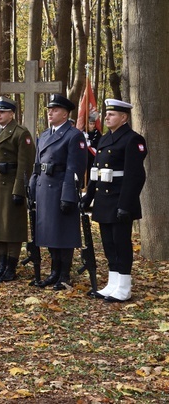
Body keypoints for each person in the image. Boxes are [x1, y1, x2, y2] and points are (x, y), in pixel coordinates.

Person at [81, 99, 147, 302]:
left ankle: (124, 286)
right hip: (104, 200)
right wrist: (88, 197)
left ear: (124, 117)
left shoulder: (133, 139)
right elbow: (96, 173)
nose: (106, 117)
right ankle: (113, 283)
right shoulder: (104, 139)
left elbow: (136, 176)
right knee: (109, 244)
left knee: (121, 243)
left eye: (112, 114)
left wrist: (125, 205)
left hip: (120, 200)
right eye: (107, 114)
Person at [29, 94, 87, 290]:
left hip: (61, 189)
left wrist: (69, 195)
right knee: (49, 232)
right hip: (44, 189)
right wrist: (32, 187)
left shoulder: (73, 135)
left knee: (63, 232)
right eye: (49, 110)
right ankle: (54, 272)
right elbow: (37, 165)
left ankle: (64, 274)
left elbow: (75, 168)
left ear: (65, 114)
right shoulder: (44, 135)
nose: (50, 113)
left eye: (55, 110)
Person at [0, 96, 35, 282]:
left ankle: (11, 267)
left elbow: (25, 165)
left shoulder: (20, 133)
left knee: (11, 228)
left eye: (2, 111)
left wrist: (19, 190)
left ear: (12, 114)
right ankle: (1, 266)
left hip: (10, 185)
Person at [85, 113, 102, 183]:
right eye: (90, 124)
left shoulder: (97, 133)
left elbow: (98, 142)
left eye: (93, 124)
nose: (92, 125)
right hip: (85, 155)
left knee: (91, 170)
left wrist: (91, 143)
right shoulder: (84, 132)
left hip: (93, 155)